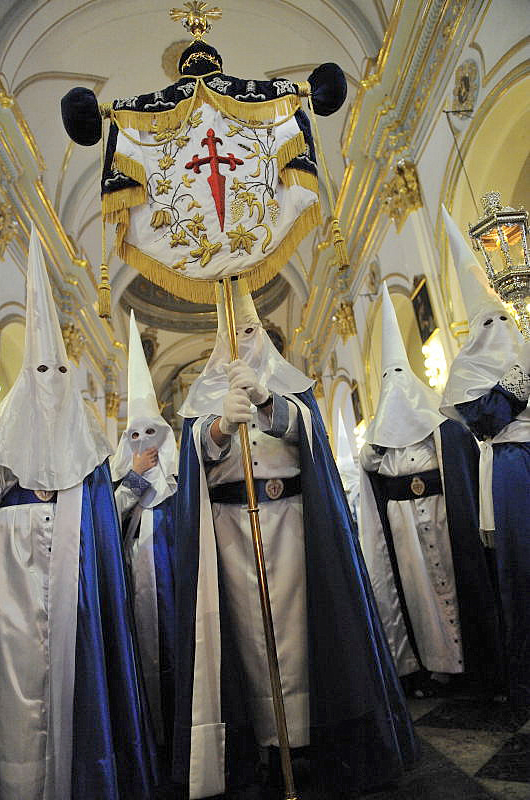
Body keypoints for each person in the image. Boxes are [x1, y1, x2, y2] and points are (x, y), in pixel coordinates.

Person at [172, 280, 417, 799]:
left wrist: (268, 404)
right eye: (232, 333)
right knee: (249, 638)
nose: (242, 341)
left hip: (294, 528)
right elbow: (193, 460)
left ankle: (312, 739)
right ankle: (264, 742)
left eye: (250, 330)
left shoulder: (295, 390)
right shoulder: (201, 403)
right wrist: (216, 429)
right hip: (233, 534)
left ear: (263, 334)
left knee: (304, 631)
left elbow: (309, 434)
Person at [0, 224, 155, 800]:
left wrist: (132, 479)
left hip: (76, 610)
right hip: (8, 613)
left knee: (76, 701)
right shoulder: (2, 449)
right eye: (41, 370)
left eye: (62, 370)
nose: (53, 382)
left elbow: (105, 533)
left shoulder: (88, 456)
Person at [359, 283, 502, 698]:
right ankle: (437, 667)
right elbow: (368, 471)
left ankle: (476, 663)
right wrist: (378, 444)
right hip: (405, 530)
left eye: (400, 374)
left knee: (459, 584)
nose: (396, 385)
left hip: (444, 515)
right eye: (388, 377)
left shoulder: (443, 426)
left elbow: (460, 464)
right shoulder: (377, 441)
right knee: (421, 598)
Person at [440, 206, 530, 705]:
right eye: (488, 321)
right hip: (513, 465)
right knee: (524, 570)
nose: (500, 328)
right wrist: (520, 377)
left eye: (505, 318)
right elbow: (485, 420)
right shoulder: (467, 370)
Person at [111, 309, 179, 757]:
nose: (143, 441)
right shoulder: (120, 482)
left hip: (175, 589)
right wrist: (132, 478)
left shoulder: (179, 483)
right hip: (136, 587)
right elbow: (108, 523)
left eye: (151, 432)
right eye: (134, 434)